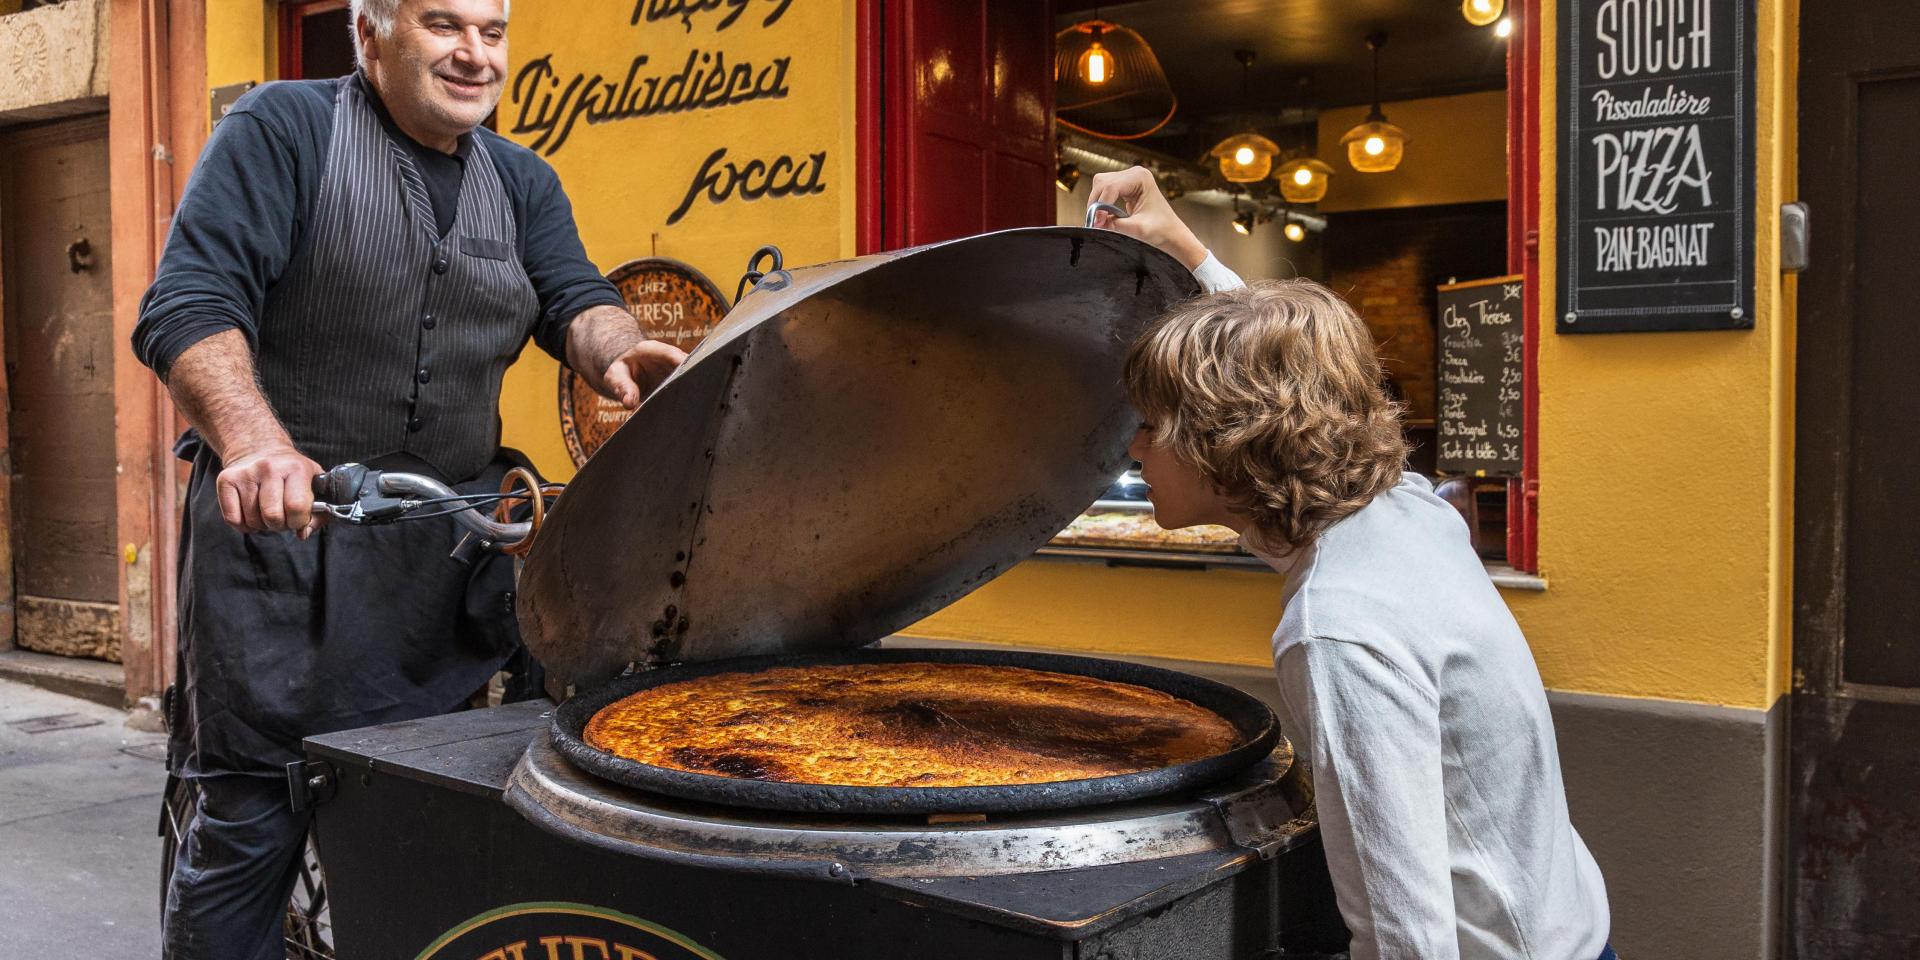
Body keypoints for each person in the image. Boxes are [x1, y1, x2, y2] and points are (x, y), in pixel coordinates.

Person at [132, 0, 686, 956]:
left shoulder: (522, 180)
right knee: (254, 827)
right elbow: (188, 302)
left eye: (493, 32)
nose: (475, 55)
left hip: (445, 556)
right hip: (285, 554)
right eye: (443, 25)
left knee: (432, 823)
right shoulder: (281, 130)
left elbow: (576, 295)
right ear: (370, 34)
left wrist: (620, 352)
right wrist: (255, 441)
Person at [1089, 167, 1612, 960]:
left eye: (1152, 426)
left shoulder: (1339, 631)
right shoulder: (1406, 511)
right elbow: (1285, 376)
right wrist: (1191, 251)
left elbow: (1408, 942)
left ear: (1222, 447)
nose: (1133, 448)